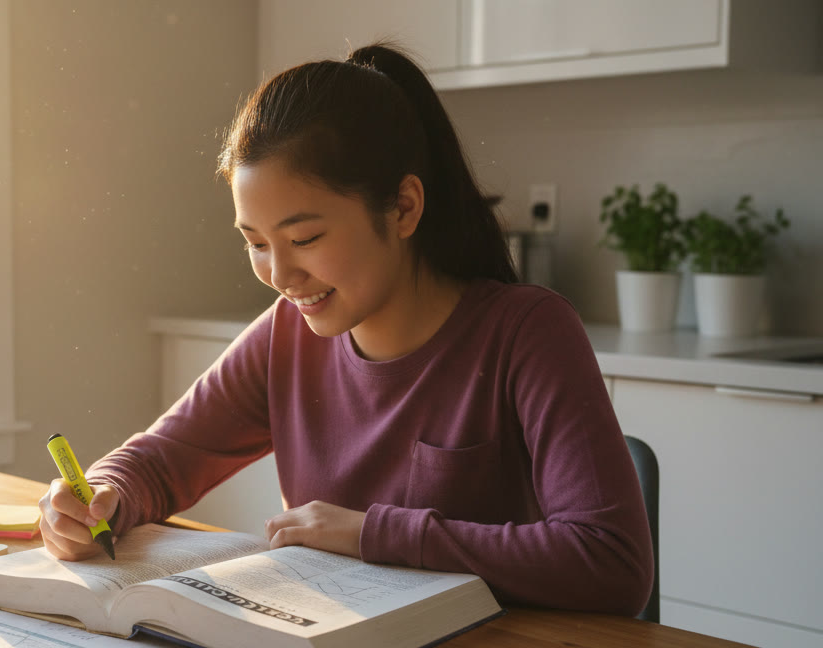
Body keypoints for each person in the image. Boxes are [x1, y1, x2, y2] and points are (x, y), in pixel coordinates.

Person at [38, 43, 653, 615]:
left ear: (404, 208)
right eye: (255, 243)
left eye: (305, 238)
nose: (279, 274)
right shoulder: (287, 334)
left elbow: (612, 562)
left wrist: (371, 532)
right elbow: (166, 457)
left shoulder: (526, 332)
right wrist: (101, 493)